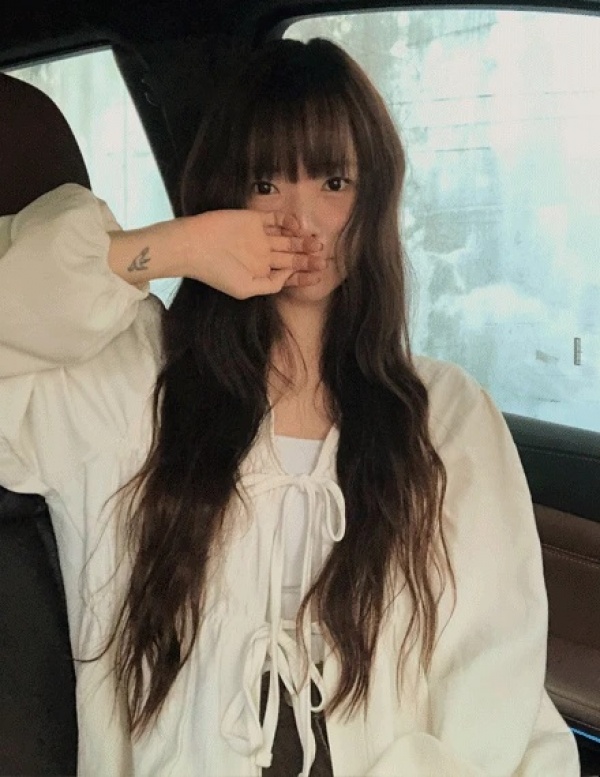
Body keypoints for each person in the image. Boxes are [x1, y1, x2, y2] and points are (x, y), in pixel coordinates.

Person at [0, 37, 579, 777]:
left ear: (372, 199)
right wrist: (171, 248)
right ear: (224, 197)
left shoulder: (447, 416)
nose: (302, 220)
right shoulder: (130, 381)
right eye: (266, 183)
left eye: (333, 181)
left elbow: (491, 669)